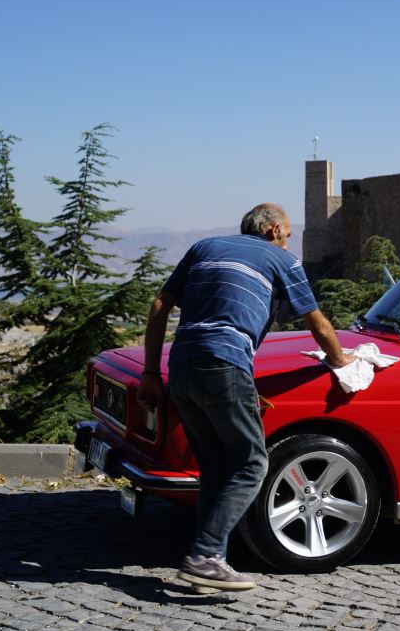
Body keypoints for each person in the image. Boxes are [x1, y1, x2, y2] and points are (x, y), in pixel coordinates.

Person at [137, 202, 350, 592]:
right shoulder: (281, 260)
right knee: (252, 465)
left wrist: (151, 372)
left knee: (216, 468)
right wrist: (341, 360)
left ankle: (209, 561)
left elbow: (159, 305)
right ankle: (205, 555)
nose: (288, 243)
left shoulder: (205, 247)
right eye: (287, 236)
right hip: (223, 364)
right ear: (272, 231)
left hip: (180, 366)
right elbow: (317, 323)